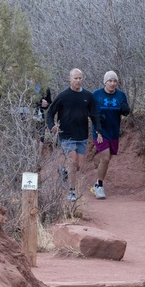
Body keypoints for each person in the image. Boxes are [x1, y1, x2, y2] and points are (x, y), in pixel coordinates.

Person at [45, 68, 101, 202]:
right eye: (75, 78)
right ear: (69, 79)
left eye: (80, 78)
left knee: (78, 166)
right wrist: (52, 126)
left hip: (81, 135)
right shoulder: (63, 96)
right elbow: (50, 112)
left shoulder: (88, 96)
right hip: (66, 135)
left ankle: (64, 171)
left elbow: (94, 114)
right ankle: (72, 191)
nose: (78, 80)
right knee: (72, 160)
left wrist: (98, 129)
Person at [89, 70, 131, 199]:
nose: (112, 84)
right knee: (105, 158)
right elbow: (90, 112)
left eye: (114, 81)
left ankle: (96, 184)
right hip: (100, 132)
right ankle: (99, 186)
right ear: (105, 82)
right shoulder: (96, 95)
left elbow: (125, 110)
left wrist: (125, 110)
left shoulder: (121, 95)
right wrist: (97, 123)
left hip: (114, 131)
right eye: (110, 81)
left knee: (107, 160)